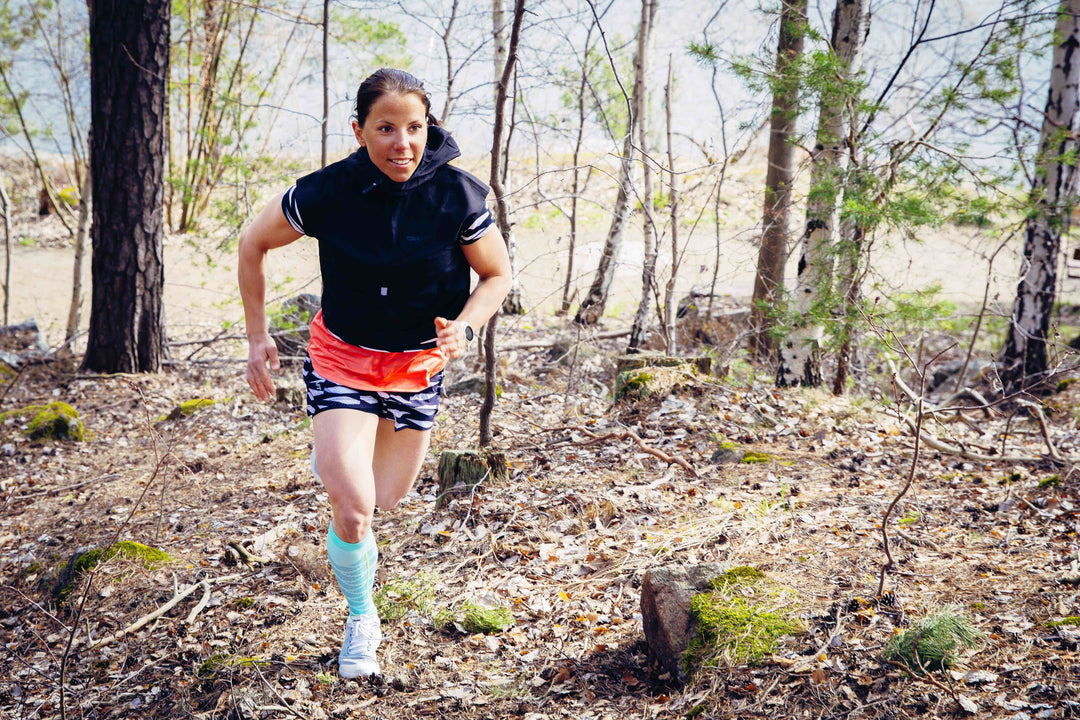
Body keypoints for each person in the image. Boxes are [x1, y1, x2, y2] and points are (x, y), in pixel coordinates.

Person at [238, 68, 511, 679]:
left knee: (386, 498)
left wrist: (464, 327)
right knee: (355, 504)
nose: (402, 143)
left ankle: (346, 470)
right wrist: (258, 338)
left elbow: (497, 275)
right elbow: (252, 242)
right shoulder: (328, 192)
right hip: (342, 358)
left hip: (417, 365)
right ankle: (363, 617)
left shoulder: (457, 196)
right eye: (386, 128)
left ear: (429, 127)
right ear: (359, 131)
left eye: (414, 127)